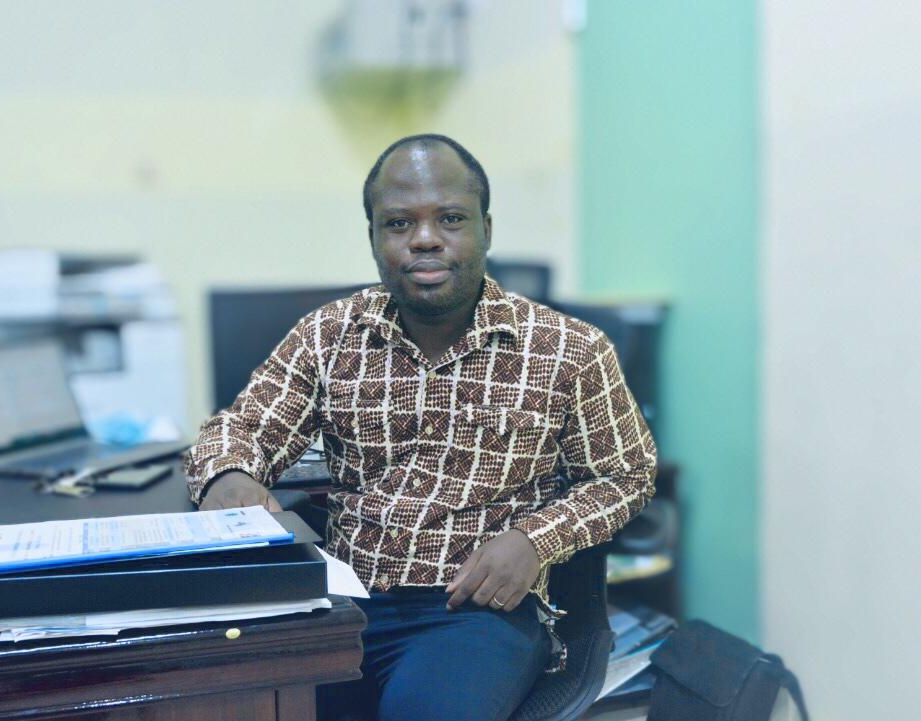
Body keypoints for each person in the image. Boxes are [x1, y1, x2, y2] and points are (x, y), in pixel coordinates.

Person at [184, 134, 657, 721]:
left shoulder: (569, 350)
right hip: (341, 601)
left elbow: (626, 474)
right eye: (400, 223)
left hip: (475, 610)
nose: (426, 239)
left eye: (451, 219)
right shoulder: (329, 336)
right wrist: (229, 476)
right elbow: (243, 426)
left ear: (486, 229)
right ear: (375, 238)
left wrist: (537, 541)